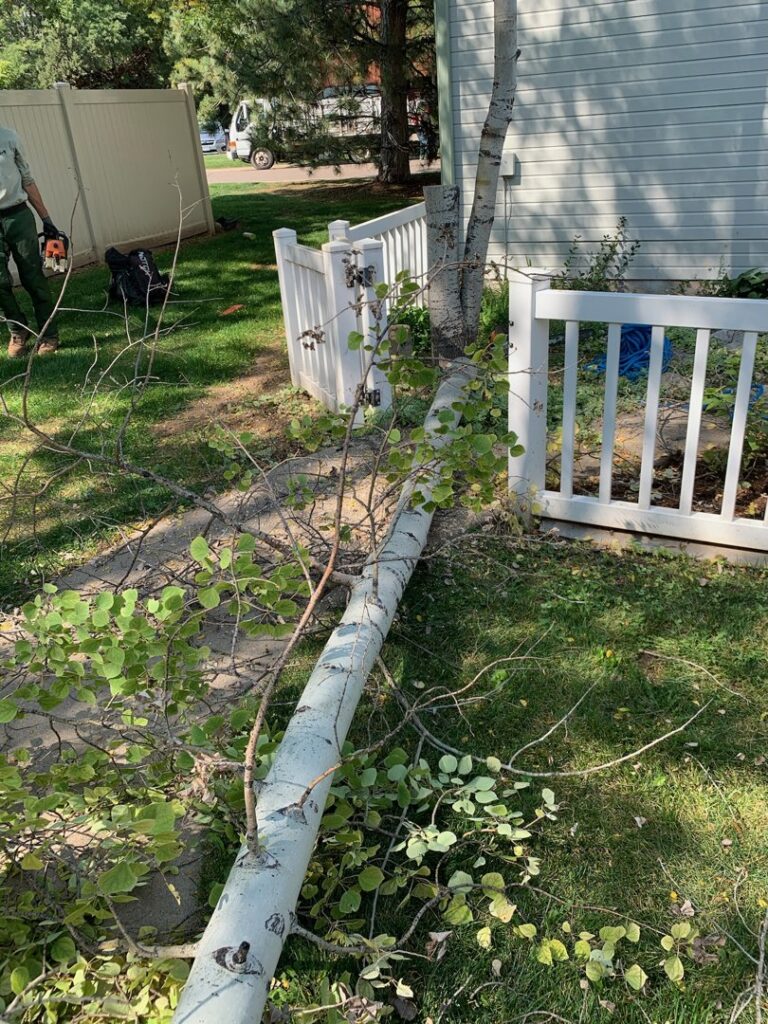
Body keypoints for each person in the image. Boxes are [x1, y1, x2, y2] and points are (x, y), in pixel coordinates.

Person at [0, 124, 61, 357]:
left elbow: (27, 178)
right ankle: (18, 330)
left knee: (33, 277)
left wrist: (46, 218)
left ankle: (49, 335)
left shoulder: (9, 137)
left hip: (18, 216)